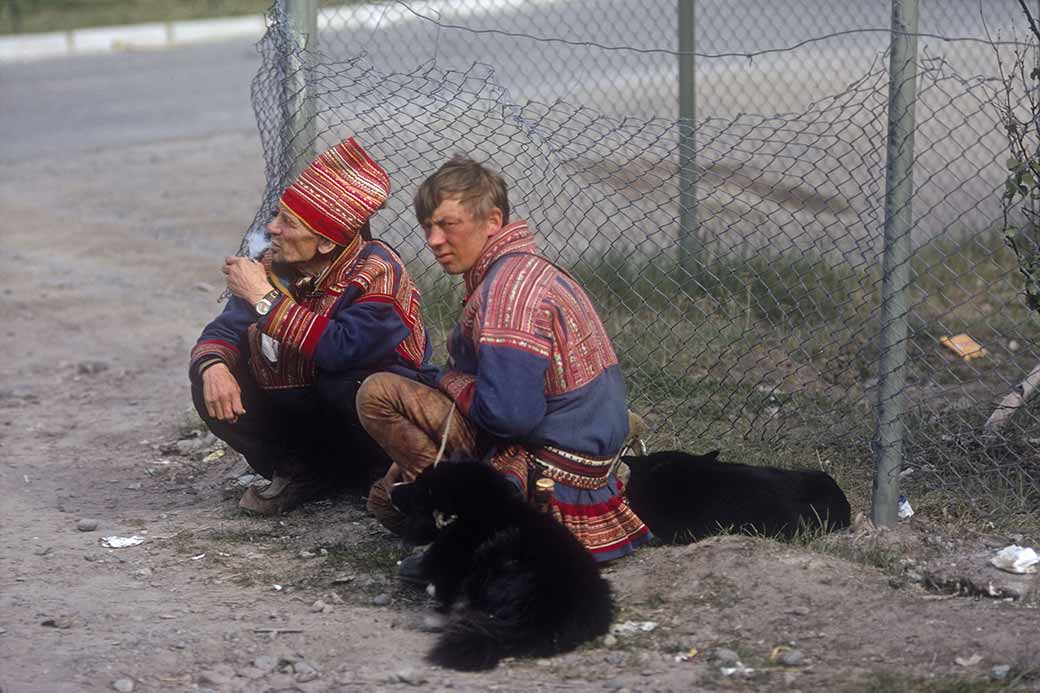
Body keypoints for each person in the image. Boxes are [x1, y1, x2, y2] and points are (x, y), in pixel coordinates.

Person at [357, 155, 650, 562]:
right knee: (383, 501)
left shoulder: (507, 293)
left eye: (447, 224)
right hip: (582, 449)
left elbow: (509, 416)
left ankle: (467, 519)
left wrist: (449, 383)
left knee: (377, 393)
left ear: (493, 222)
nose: (433, 240)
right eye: (428, 227)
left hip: (550, 467)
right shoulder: (525, 270)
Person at [189, 137, 434, 514]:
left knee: (345, 379)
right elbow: (223, 332)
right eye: (277, 216)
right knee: (211, 374)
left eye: (287, 223)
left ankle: (379, 471)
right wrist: (213, 367)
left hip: (369, 415)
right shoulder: (274, 268)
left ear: (323, 242)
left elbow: (342, 348)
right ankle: (304, 470)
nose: (272, 228)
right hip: (310, 414)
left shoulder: (379, 271)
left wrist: (263, 300)